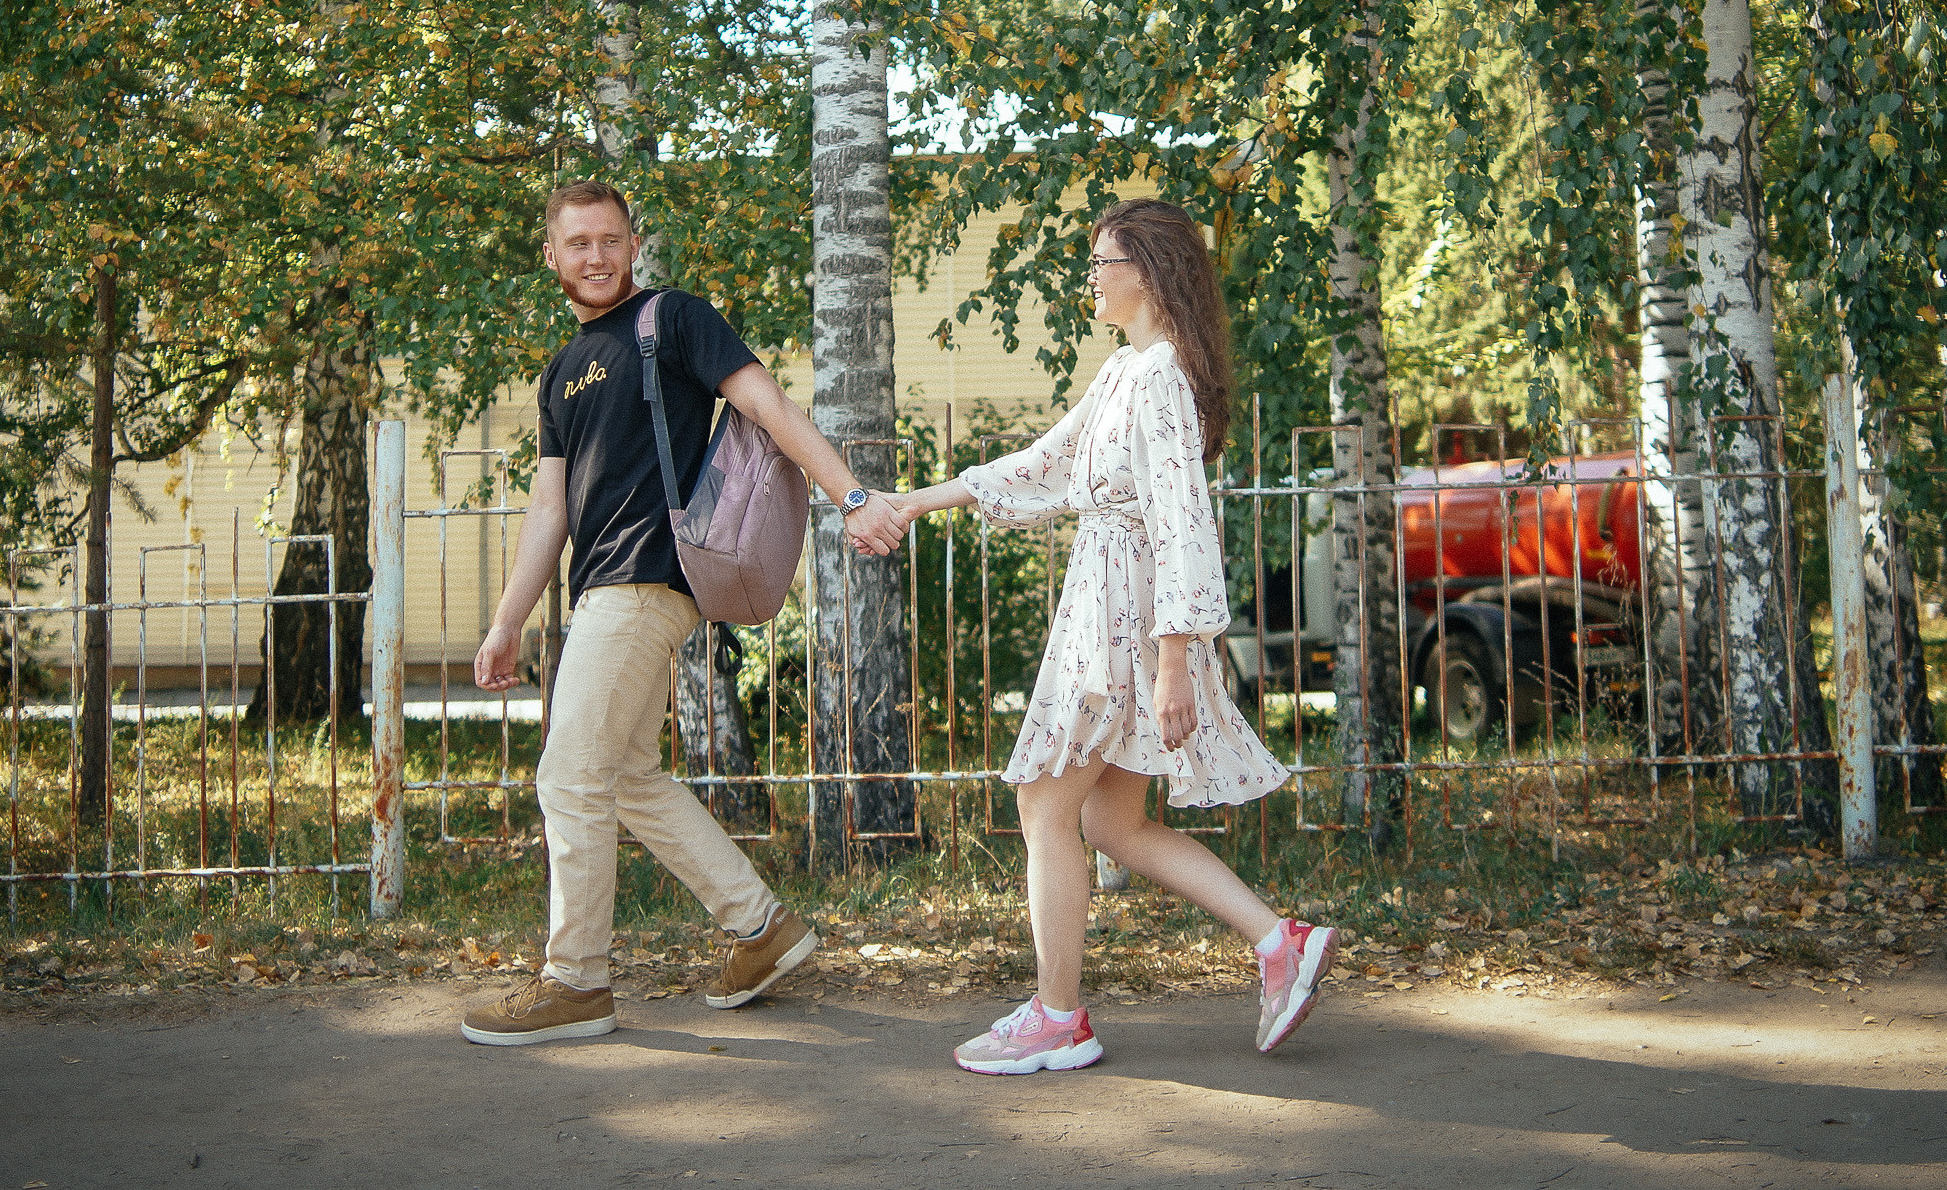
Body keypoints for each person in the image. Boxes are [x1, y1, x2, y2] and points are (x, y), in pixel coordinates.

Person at [886, 198, 1340, 1073]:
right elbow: (1043, 465)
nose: (1090, 278)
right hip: (1113, 607)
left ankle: (1059, 1016)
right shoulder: (1127, 372)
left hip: (1124, 623)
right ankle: (1277, 940)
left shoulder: (1161, 375)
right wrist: (918, 500)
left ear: (1151, 271)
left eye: (1103, 262)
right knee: (1111, 820)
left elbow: (1183, 524)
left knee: (1044, 804)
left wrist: (1176, 663)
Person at [460, 180, 906, 1047]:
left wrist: (851, 495)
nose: (595, 257)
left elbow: (768, 408)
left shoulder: (673, 319)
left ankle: (577, 981)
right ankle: (761, 927)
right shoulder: (560, 372)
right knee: (625, 776)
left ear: (634, 247)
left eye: (610, 240)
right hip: (602, 589)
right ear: (550, 254)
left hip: (648, 578)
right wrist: (508, 618)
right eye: (578, 242)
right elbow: (549, 511)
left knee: (567, 774)